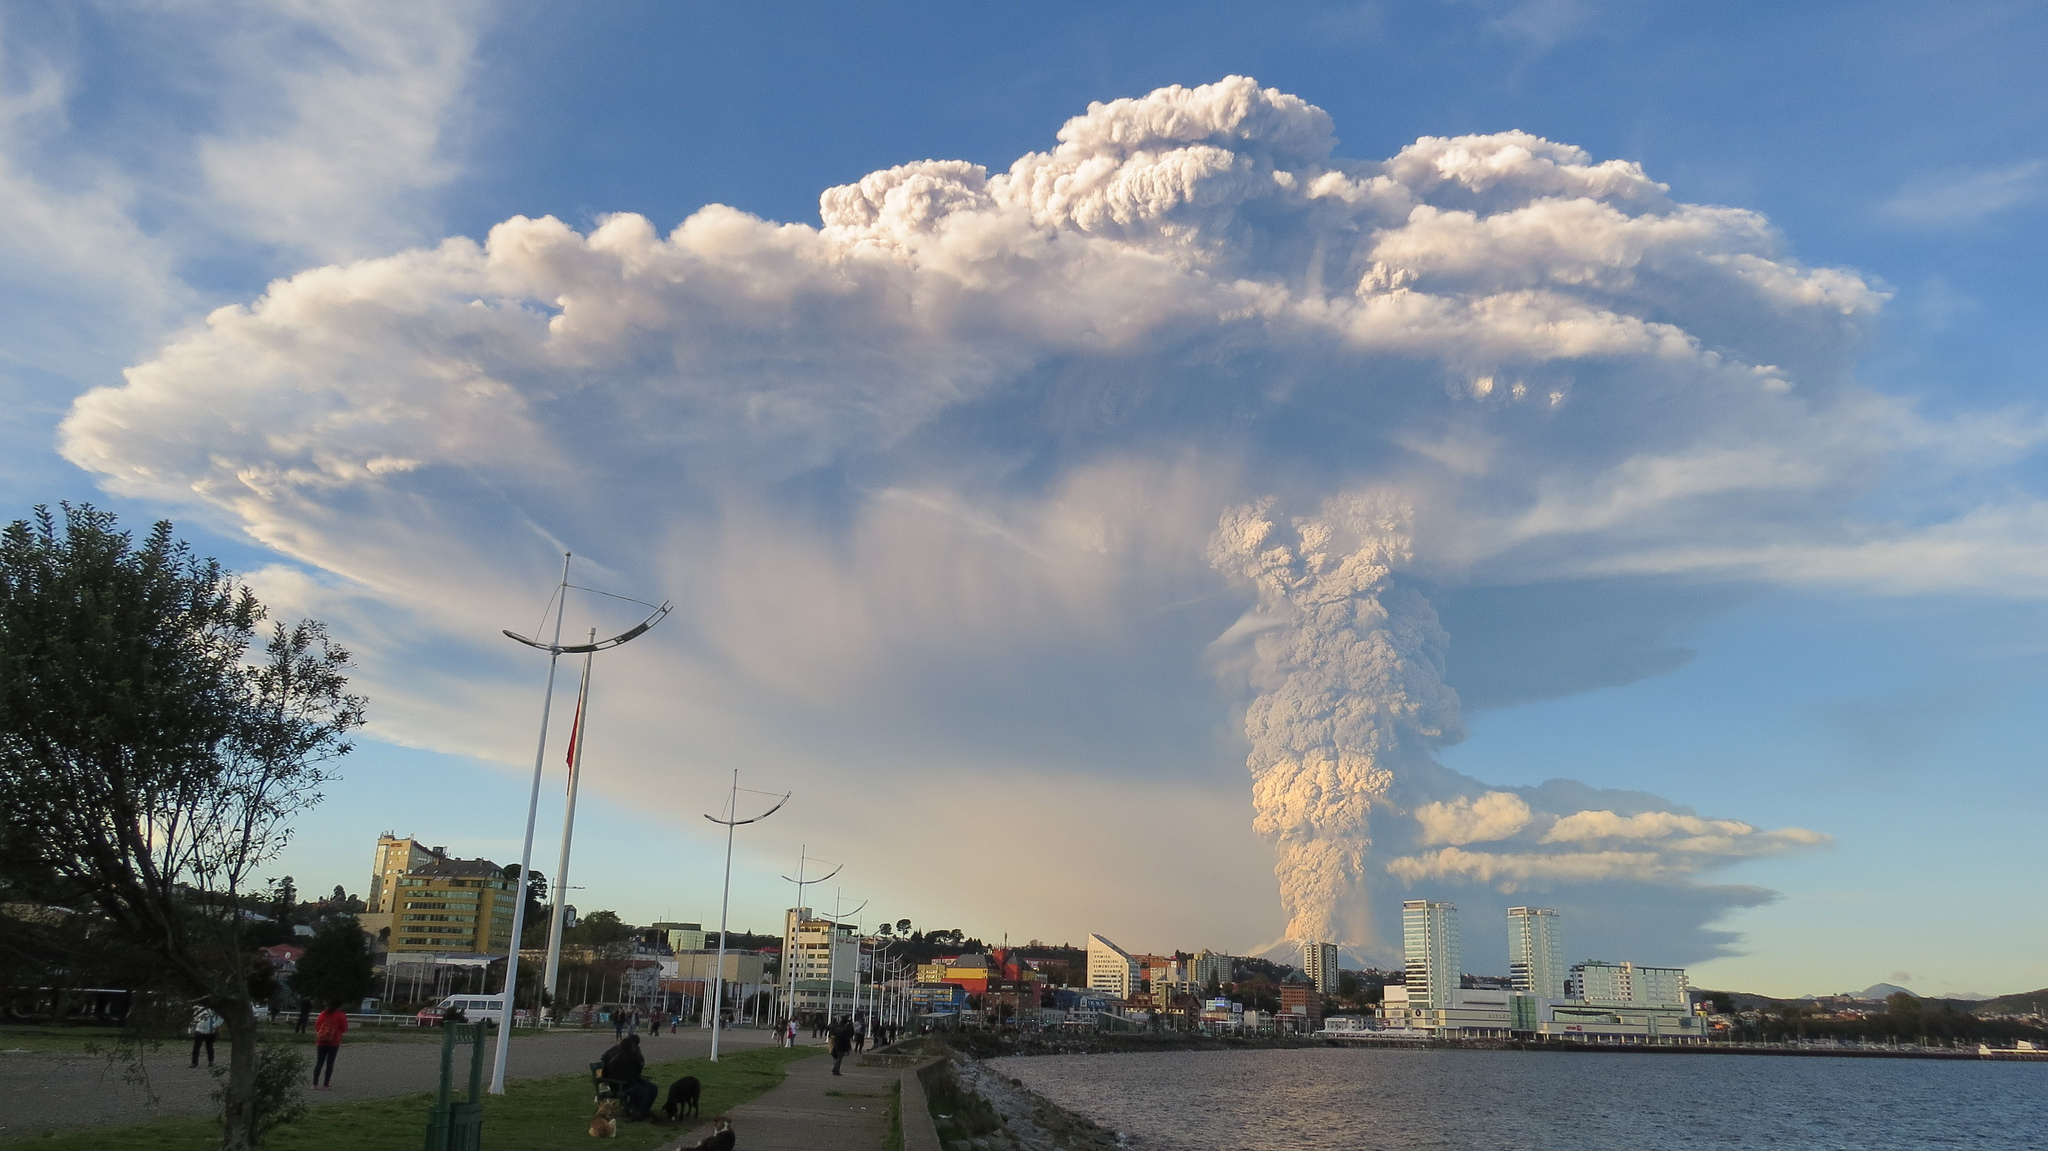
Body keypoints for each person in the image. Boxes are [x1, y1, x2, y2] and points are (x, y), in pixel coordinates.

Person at [598, 1033, 658, 1121]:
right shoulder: (632, 1054)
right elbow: (639, 1067)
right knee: (646, 1092)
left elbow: (604, 1060)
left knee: (651, 1088)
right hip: (623, 1084)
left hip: (616, 1082)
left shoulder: (614, 1050)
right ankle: (637, 1113)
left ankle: (641, 1111)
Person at [312, 1001, 348, 1088]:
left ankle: (314, 1084)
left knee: (319, 1062)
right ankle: (326, 1084)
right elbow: (344, 1029)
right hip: (334, 1041)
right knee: (330, 1063)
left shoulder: (322, 1014)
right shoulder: (340, 1015)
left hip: (321, 1041)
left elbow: (317, 1027)